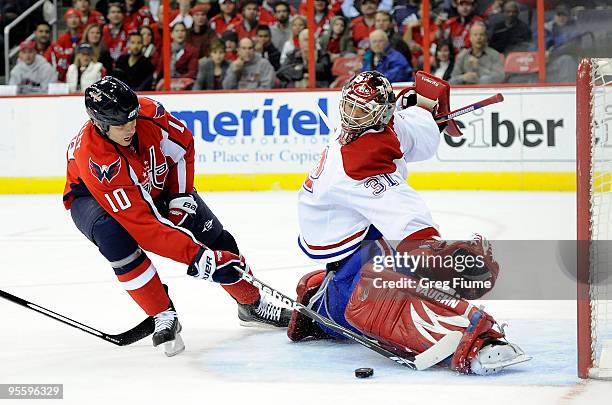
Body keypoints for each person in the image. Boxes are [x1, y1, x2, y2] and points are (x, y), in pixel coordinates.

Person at [289, 70, 529, 375]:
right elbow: (406, 219)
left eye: (361, 110)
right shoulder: (359, 164)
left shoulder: (386, 125)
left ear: (384, 113)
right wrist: (436, 254)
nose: (351, 117)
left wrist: (425, 110)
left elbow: (413, 130)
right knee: (380, 290)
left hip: (353, 244)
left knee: (395, 269)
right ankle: (474, 341)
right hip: (354, 258)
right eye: (349, 107)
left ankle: (324, 301)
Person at [63, 77, 291, 356]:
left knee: (214, 236)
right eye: (121, 125)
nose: (131, 128)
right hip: (94, 198)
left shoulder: (148, 113)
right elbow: (144, 227)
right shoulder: (97, 159)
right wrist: (197, 257)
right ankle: (161, 312)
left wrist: (181, 196)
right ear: (100, 124)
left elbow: (183, 147)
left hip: (153, 180)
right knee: (115, 238)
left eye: (132, 120)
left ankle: (251, 304)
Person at [44, 8, 83, 82]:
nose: (73, 20)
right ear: (66, 21)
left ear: (80, 19)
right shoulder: (61, 39)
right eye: (70, 17)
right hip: (64, 78)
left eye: (76, 17)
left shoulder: (85, 37)